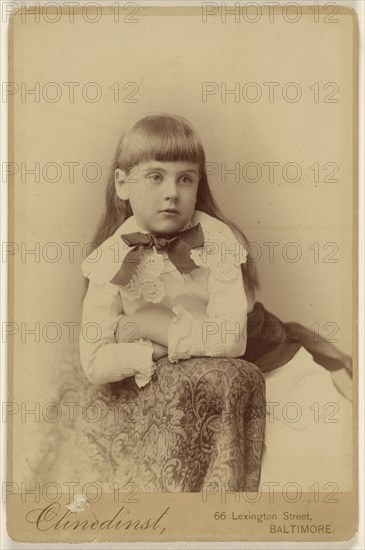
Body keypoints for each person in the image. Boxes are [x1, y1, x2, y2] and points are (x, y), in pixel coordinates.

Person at [78, 113, 266, 492]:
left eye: (185, 178)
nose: (172, 192)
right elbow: (94, 361)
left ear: (198, 184)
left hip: (218, 353)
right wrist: (146, 356)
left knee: (232, 379)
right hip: (150, 368)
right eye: (155, 176)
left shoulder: (215, 240)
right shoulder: (110, 257)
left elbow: (231, 340)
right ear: (122, 184)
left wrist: (152, 331)